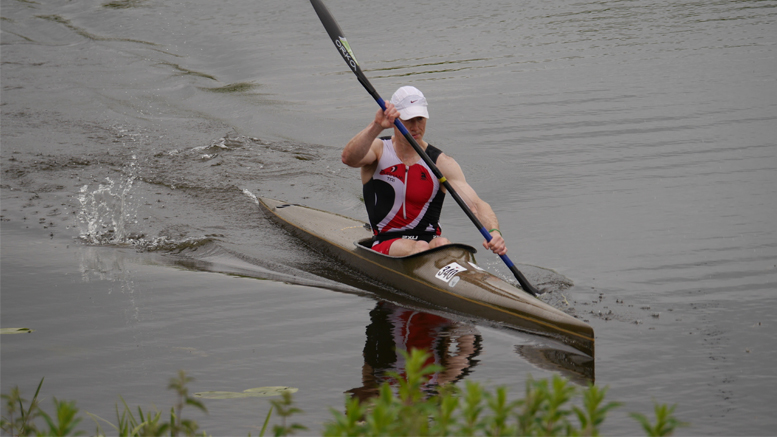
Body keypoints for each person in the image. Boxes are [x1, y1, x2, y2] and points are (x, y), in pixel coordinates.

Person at [342, 85, 507, 257]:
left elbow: (476, 205)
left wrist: (494, 232)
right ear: (395, 119)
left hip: (430, 240)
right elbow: (349, 159)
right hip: (386, 242)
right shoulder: (378, 150)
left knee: (444, 244)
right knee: (420, 247)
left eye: (420, 119)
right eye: (408, 120)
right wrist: (376, 126)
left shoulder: (441, 163)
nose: (415, 127)